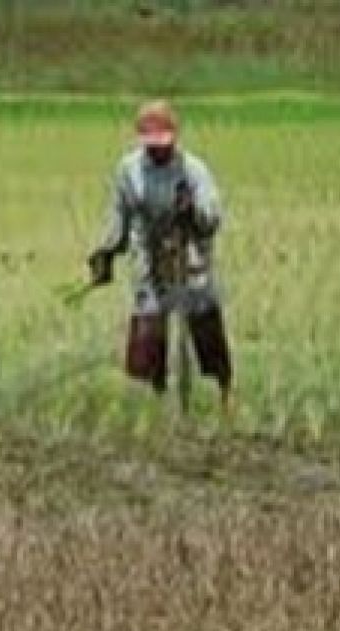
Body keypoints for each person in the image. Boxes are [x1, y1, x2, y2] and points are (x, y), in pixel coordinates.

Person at [86, 99, 233, 411]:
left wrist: (191, 211)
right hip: (148, 255)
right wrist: (107, 253)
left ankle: (223, 392)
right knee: (148, 328)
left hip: (189, 253)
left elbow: (212, 219)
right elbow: (119, 217)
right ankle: (151, 398)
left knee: (203, 318)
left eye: (163, 144)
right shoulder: (129, 170)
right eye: (152, 145)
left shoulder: (193, 170)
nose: (158, 151)